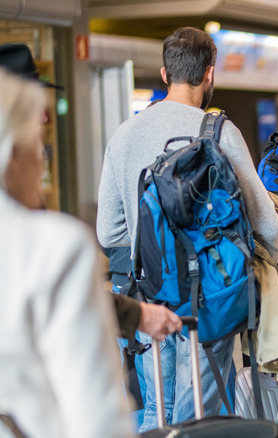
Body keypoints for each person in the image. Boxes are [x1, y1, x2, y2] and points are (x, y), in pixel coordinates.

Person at [96, 27, 278, 431]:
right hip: (210, 298)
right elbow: (268, 223)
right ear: (210, 74)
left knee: (155, 412)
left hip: (148, 295)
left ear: (165, 74)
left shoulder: (124, 135)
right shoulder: (219, 133)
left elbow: (108, 232)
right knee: (200, 416)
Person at [0, 42, 182, 344]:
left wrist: (137, 315)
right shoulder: (54, 240)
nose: (45, 119)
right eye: (33, 110)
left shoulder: (23, 208)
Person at [0, 68, 136, 438]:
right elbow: (96, 414)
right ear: (12, 155)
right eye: (38, 145)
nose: (42, 161)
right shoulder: (53, 247)